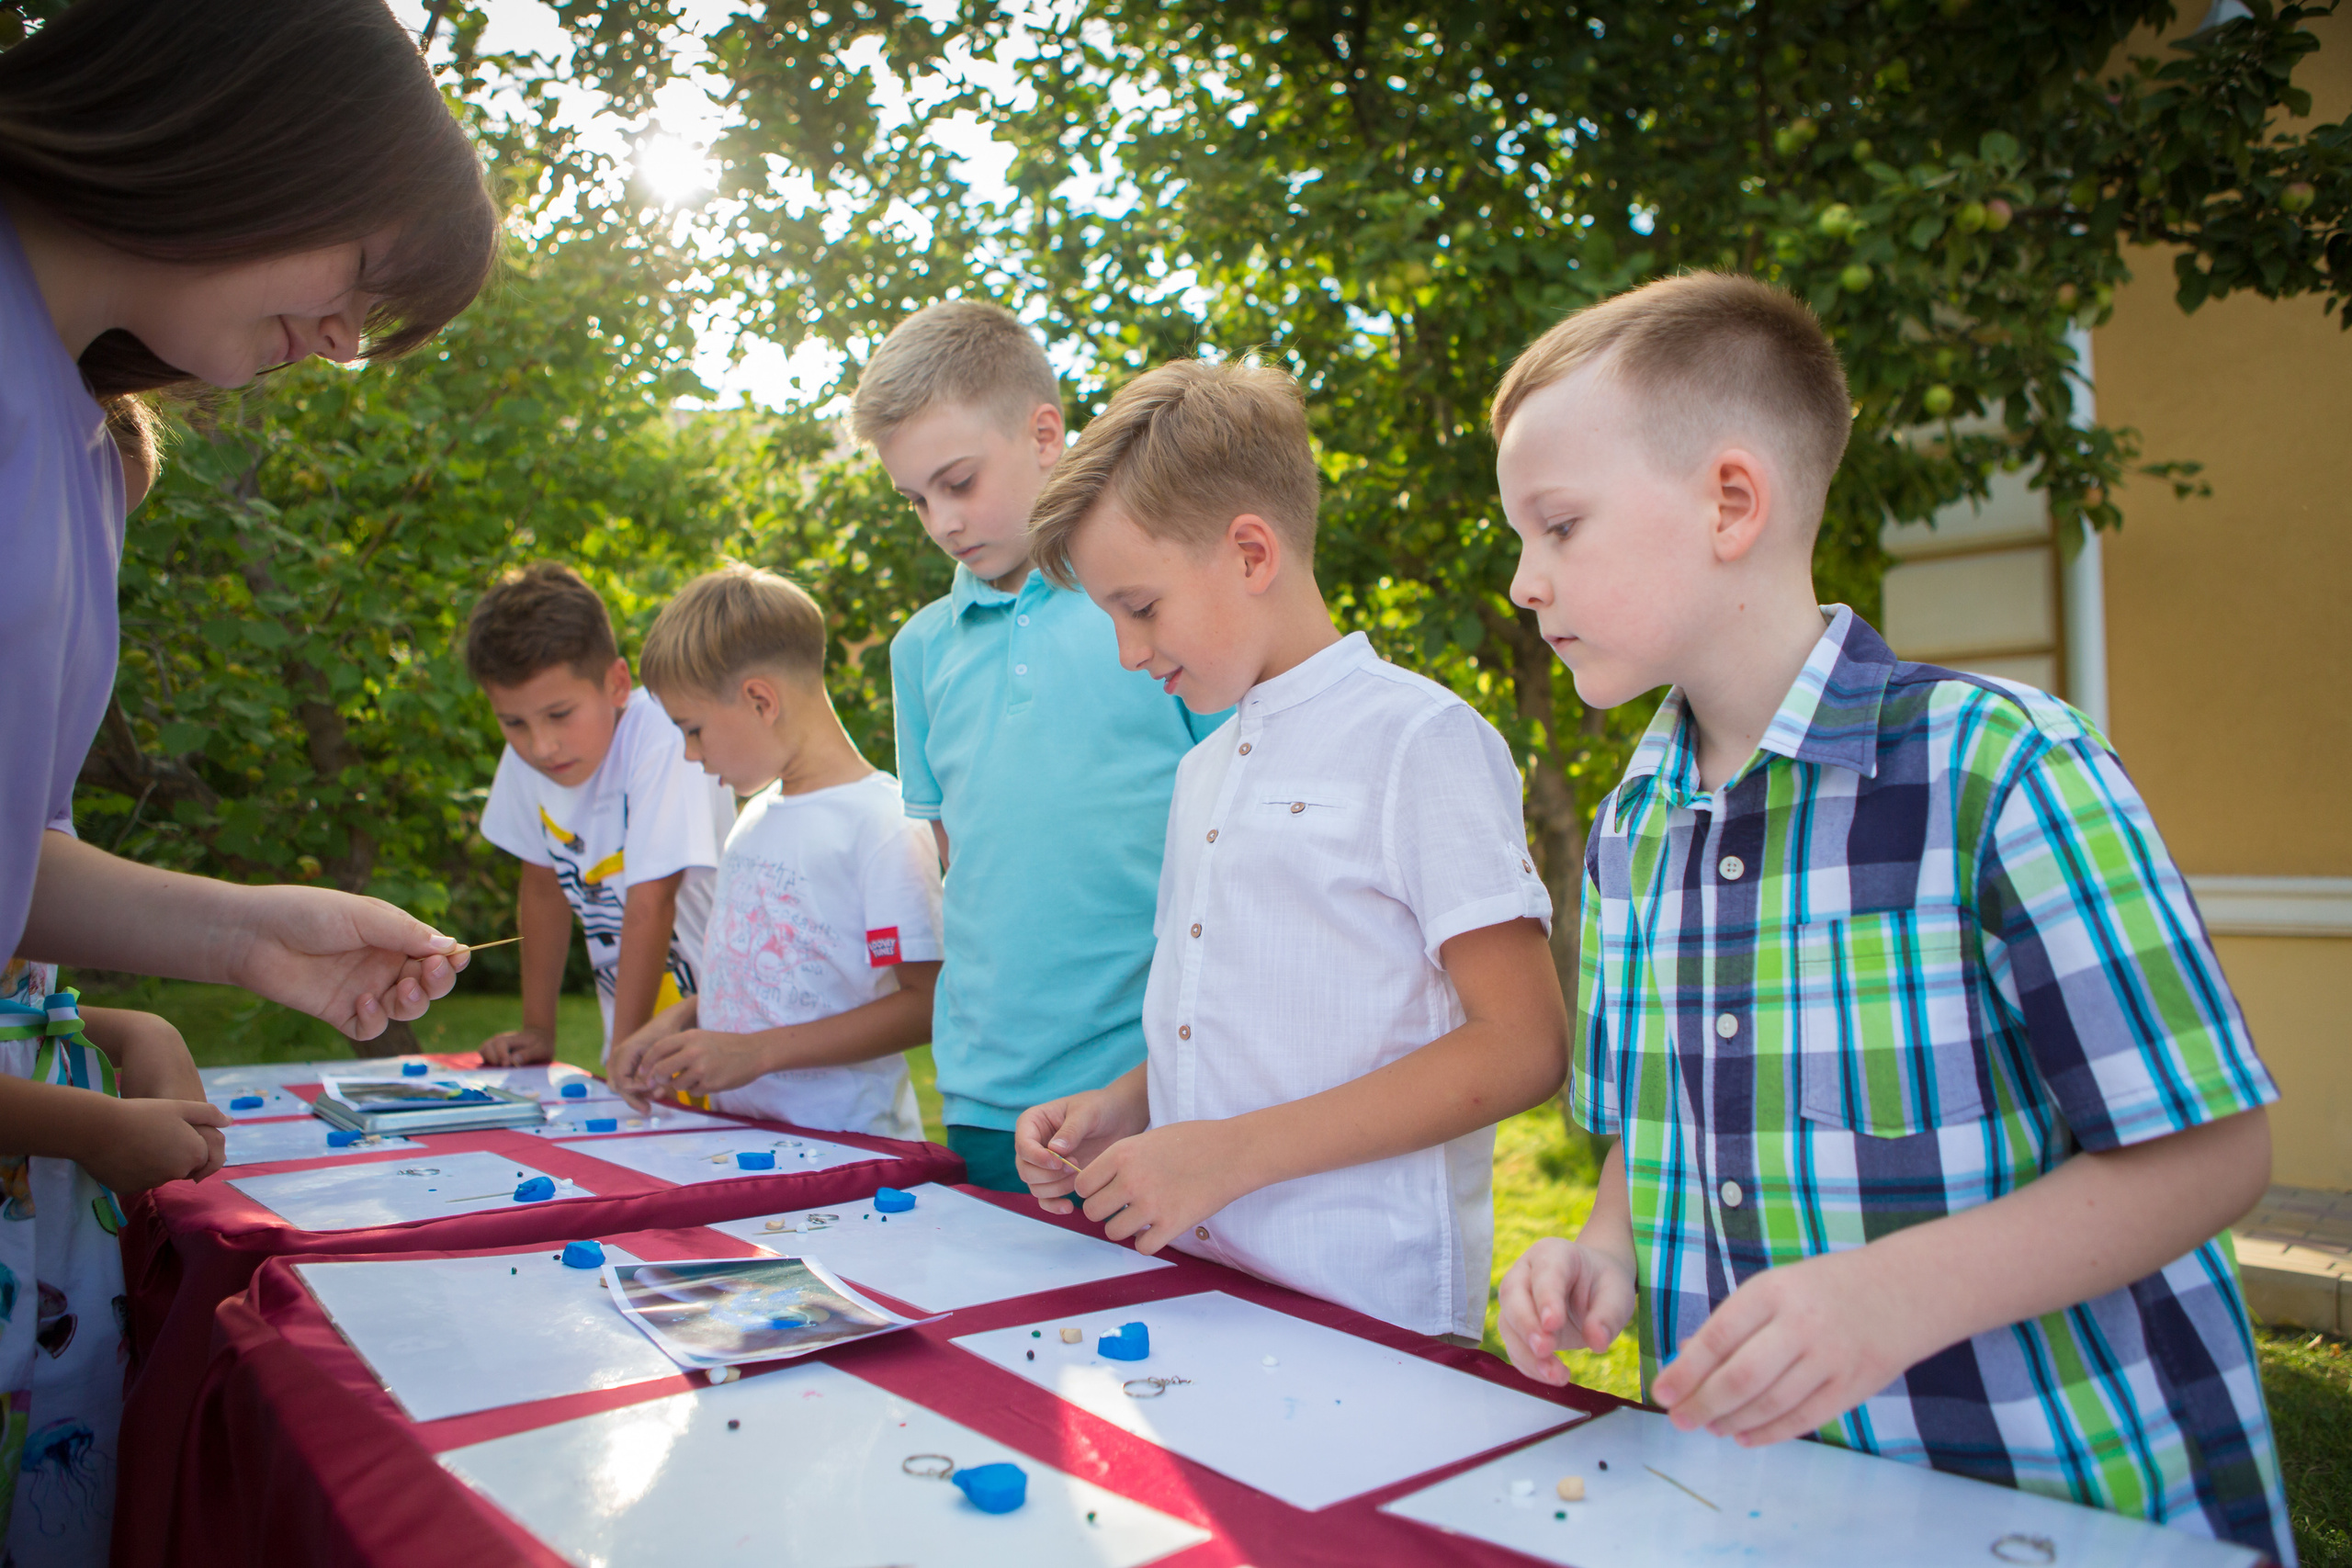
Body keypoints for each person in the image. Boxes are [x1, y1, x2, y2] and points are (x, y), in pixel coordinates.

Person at [1487, 273, 2289, 1556]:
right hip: (1750, 1511)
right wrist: (1605, 1255)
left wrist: (1893, 1296)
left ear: (1731, 503)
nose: (1525, 580)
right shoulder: (1635, 827)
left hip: (2065, 1508)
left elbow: (2214, 1152)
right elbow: (1662, 1135)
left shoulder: (2005, 766)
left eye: (1559, 525)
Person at [1009, 359, 1567, 1341]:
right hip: (1199, 1294)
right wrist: (1124, 1106)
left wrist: (1229, 1155)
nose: (1128, 654)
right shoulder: (1202, 769)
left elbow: (1523, 1046)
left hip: (1369, 1315)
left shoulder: (1417, 740)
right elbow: (1240, 1017)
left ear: (1252, 553)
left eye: (1138, 608)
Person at [857, 301, 1226, 1190]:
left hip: (1153, 1081)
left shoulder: (1148, 609)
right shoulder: (919, 651)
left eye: (958, 481)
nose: (942, 520)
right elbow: (960, 863)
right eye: (916, 499)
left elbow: (1234, 832)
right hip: (985, 1091)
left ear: (1046, 434)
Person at [609, 566, 944, 1139]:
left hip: (851, 1156)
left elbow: (925, 1003)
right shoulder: (756, 818)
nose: (691, 755)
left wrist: (756, 1054)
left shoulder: (880, 823)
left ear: (760, 700)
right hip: (747, 1145)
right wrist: (679, 1020)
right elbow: (772, 985)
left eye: (693, 730)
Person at [466, 564, 736, 1068]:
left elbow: (653, 900)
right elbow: (543, 886)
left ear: (616, 683)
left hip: (721, 1043)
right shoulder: (529, 759)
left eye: (559, 714)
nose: (541, 745)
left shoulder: (661, 733)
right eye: (513, 722)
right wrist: (538, 1029)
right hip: (643, 1049)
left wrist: (622, 1054)